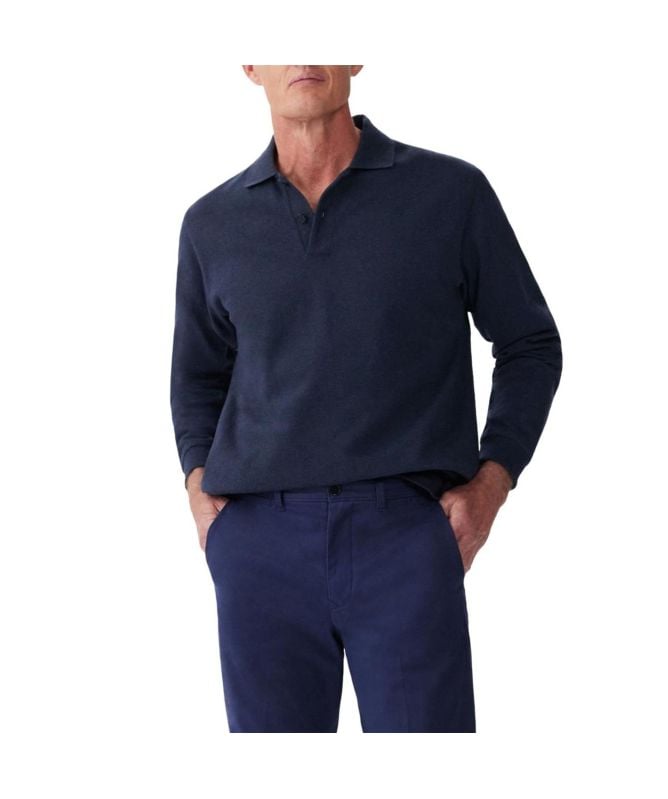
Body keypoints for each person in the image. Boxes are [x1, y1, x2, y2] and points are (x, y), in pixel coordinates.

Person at [169, 65, 562, 732]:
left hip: (405, 534)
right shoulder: (212, 223)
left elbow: (530, 342)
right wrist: (199, 486)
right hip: (259, 545)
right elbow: (197, 376)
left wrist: (493, 481)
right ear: (249, 65)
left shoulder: (449, 194)